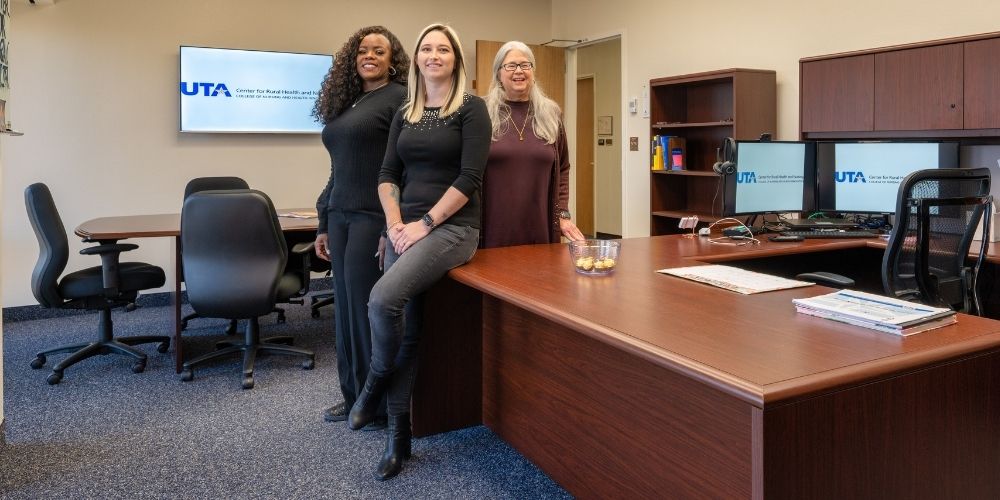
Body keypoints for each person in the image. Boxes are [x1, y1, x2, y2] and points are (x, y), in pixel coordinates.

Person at [347, 23, 490, 480]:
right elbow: (387, 173)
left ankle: (372, 387)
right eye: (427, 48)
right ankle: (398, 440)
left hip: (452, 229)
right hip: (404, 229)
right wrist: (395, 225)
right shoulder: (405, 112)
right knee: (406, 331)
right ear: (418, 58)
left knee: (383, 299)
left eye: (443, 49)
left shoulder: (471, 108)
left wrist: (424, 224)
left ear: (455, 59)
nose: (433, 55)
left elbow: (469, 179)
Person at [312, 26, 409, 430]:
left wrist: (392, 225)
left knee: (367, 312)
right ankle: (351, 393)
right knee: (346, 314)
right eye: (363, 50)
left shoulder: (400, 97)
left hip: (373, 217)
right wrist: (322, 220)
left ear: (392, 59)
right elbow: (338, 170)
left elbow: (404, 167)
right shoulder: (349, 101)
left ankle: (381, 404)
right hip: (340, 216)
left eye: (379, 51)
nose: (370, 56)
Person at [481, 41, 585, 247]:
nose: (518, 71)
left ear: (533, 71)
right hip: (492, 226)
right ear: (498, 74)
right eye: (510, 65)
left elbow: (563, 168)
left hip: (541, 224)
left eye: (525, 65)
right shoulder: (481, 113)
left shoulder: (551, 113)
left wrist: (562, 213)